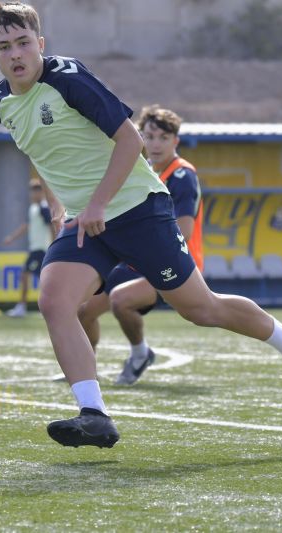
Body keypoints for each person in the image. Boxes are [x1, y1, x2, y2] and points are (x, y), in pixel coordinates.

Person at [0, 2, 282, 448]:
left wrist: (98, 203)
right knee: (55, 301)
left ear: (40, 44)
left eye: (24, 43)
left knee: (201, 309)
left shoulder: (67, 79)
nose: (16, 54)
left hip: (137, 208)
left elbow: (132, 140)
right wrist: (57, 206)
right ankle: (94, 414)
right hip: (89, 223)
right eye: (5, 46)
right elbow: (40, 150)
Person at [78, 105, 204, 385]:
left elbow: (183, 229)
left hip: (172, 261)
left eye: (162, 137)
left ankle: (139, 354)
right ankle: (86, 371)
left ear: (175, 141)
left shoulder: (183, 175)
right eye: (148, 136)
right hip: (136, 261)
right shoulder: (140, 172)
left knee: (121, 299)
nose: (155, 144)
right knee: (83, 310)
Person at [2, 179, 55, 317]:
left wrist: (54, 245)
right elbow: (26, 226)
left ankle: (22, 306)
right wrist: (11, 238)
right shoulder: (33, 208)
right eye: (33, 190)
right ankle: (49, 306)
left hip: (42, 248)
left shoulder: (44, 208)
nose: (34, 193)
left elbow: (51, 226)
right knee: (44, 279)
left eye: (37, 190)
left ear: (42, 192)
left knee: (25, 275)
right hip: (35, 248)